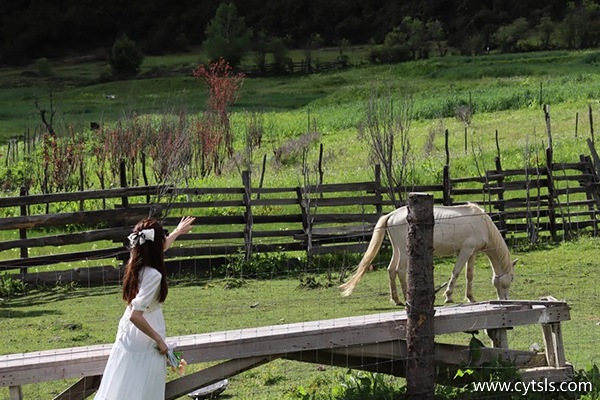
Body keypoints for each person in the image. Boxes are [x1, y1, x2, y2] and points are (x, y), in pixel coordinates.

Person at [95, 216, 195, 400]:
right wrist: (159, 341)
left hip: (129, 336)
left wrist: (177, 232)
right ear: (155, 245)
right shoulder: (154, 275)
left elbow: (159, 248)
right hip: (145, 336)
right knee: (142, 389)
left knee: (123, 385)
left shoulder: (136, 262)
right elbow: (136, 315)